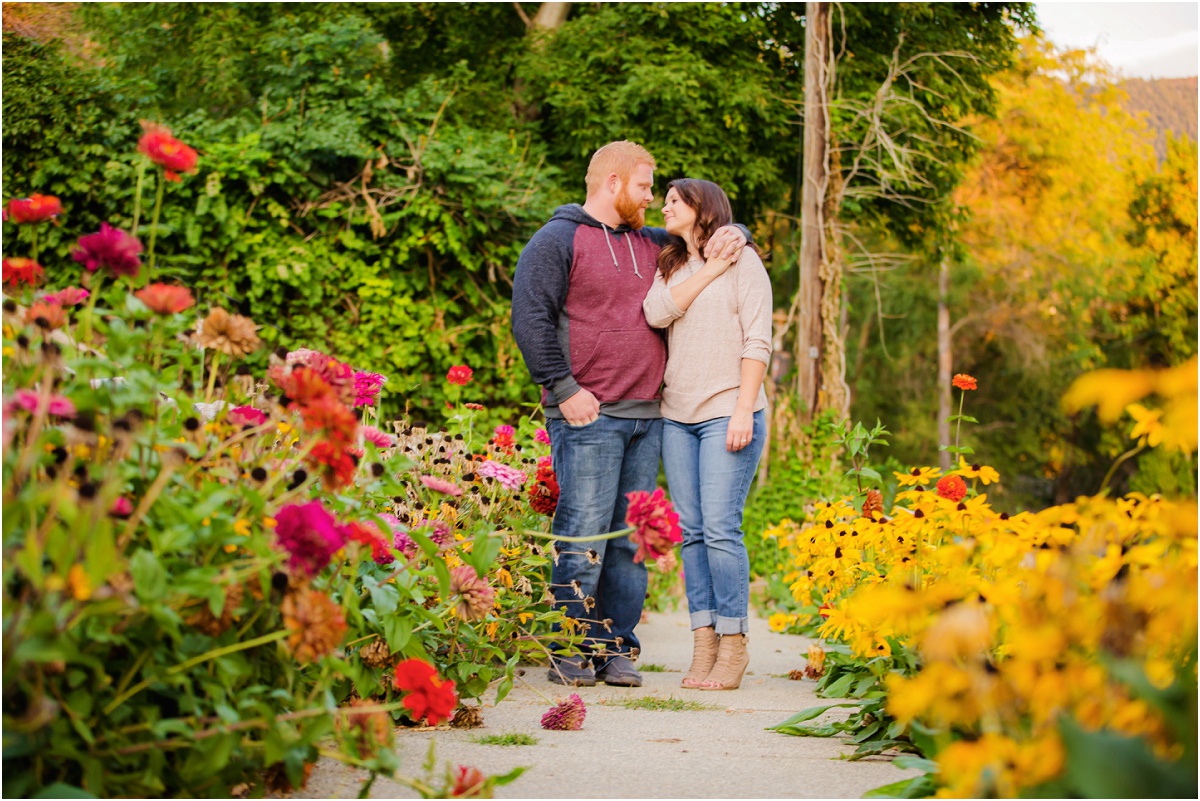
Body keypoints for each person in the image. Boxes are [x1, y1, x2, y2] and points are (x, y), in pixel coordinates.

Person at [511, 142, 747, 688]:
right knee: (583, 534)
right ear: (614, 183)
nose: (652, 198)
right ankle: (567, 645)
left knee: (629, 541)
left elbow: (708, 239)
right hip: (588, 414)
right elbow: (530, 319)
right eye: (645, 187)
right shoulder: (556, 240)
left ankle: (615, 646)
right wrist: (562, 387)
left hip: (649, 416)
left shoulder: (652, 243)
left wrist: (741, 234)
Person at [643, 178, 772, 691]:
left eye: (674, 200)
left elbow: (758, 339)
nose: (664, 206)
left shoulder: (746, 261)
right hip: (677, 414)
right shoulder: (669, 263)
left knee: (720, 528)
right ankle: (704, 644)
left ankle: (734, 645)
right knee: (692, 533)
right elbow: (656, 313)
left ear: (701, 208)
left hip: (727, 410)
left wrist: (744, 409)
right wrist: (709, 267)